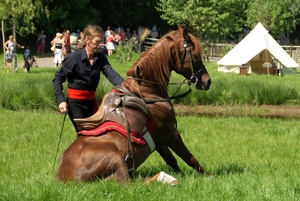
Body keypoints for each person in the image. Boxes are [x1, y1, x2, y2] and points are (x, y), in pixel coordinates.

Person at [52, 24, 124, 132]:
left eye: (101, 41)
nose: (100, 45)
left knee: (98, 133)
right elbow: (57, 78)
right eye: (97, 42)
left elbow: (111, 74)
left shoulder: (100, 58)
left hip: (91, 102)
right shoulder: (73, 58)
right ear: (87, 39)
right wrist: (61, 100)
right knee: (85, 134)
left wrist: (126, 86)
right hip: (75, 103)